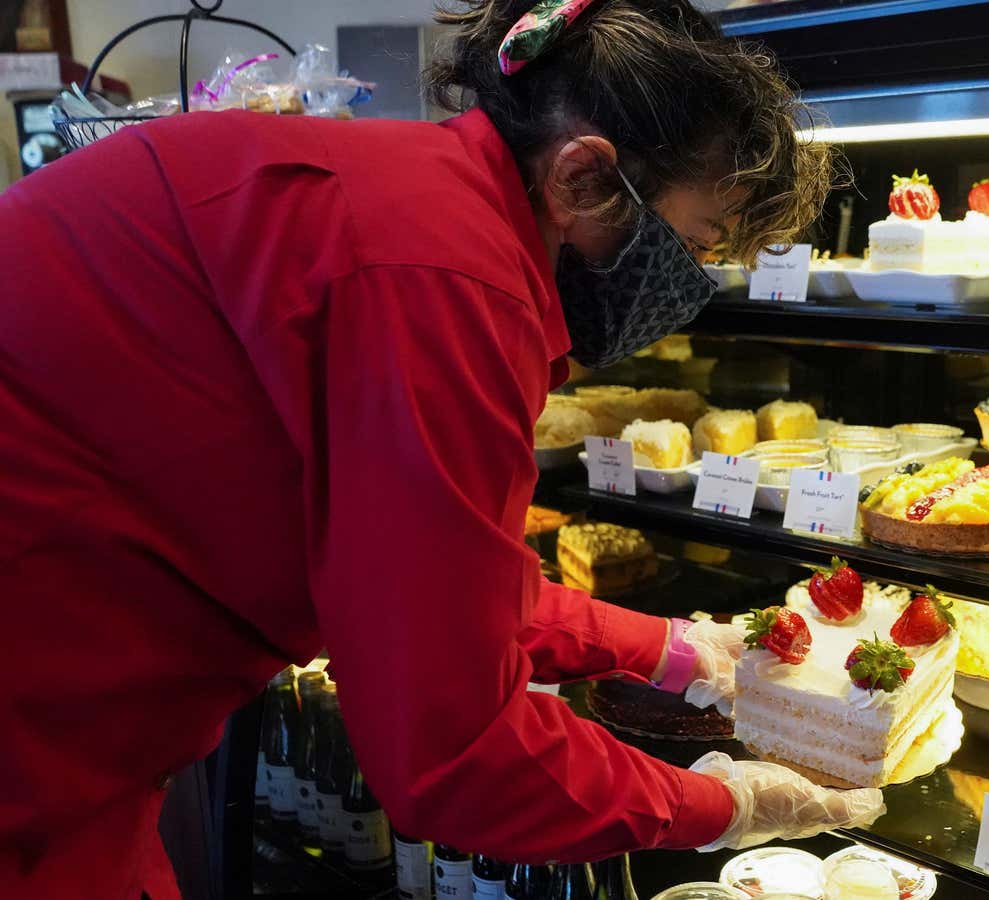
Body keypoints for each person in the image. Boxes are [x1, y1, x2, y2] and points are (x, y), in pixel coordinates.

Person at [0, 1, 882, 897]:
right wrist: (718, 805)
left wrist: (672, 648)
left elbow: (428, 580)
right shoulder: (448, 281)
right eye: (691, 245)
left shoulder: (425, 205)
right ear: (580, 177)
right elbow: (455, 752)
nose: (685, 287)